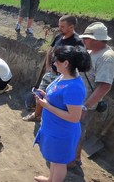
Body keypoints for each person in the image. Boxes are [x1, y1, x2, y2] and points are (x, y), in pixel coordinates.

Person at [33, 45, 91, 182]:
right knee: (54, 159)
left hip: (62, 133)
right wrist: (46, 96)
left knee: (59, 163)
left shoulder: (74, 88)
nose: (53, 63)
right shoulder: (64, 77)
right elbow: (58, 99)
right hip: (53, 128)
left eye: (56, 61)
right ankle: (50, 179)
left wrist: (46, 105)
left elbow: (74, 117)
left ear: (66, 63)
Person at [23, 15, 84, 122]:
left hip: (64, 78)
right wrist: (48, 66)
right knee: (40, 95)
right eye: (59, 25)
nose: (59, 28)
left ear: (71, 27)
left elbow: (77, 62)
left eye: (62, 26)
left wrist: (65, 74)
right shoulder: (59, 37)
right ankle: (37, 115)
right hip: (51, 73)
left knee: (53, 100)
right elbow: (50, 51)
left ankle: (46, 118)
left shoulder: (77, 42)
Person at [72, 22, 114, 167]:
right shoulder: (91, 52)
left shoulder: (106, 57)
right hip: (77, 100)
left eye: (86, 38)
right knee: (73, 128)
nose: (83, 41)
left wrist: (85, 106)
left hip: (85, 103)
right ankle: (74, 157)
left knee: (77, 130)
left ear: (96, 39)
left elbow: (104, 86)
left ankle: (72, 160)